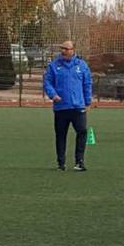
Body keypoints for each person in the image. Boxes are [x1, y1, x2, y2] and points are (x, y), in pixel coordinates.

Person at [43, 41, 92, 171]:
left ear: (73, 50)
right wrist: (53, 95)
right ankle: (61, 163)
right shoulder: (54, 66)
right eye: (62, 49)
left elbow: (87, 84)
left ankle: (79, 161)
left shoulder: (81, 65)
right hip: (61, 107)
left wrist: (87, 102)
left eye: (66, 49)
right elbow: (47, 82)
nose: (63, 51)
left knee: (82, 131)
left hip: (78, 106)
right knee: (60, 134)